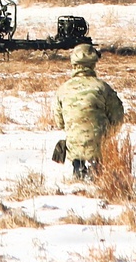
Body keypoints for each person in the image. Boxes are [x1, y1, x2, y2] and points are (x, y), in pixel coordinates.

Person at [53, 44, 124, 180]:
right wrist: (107, 133)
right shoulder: (103, 88)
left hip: (74, 147)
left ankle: (78, 168)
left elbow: (59, 122)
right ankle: (96, 168)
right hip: (100, 147)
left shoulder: (63, 90)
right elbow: (117, 118)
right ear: (94, 63)